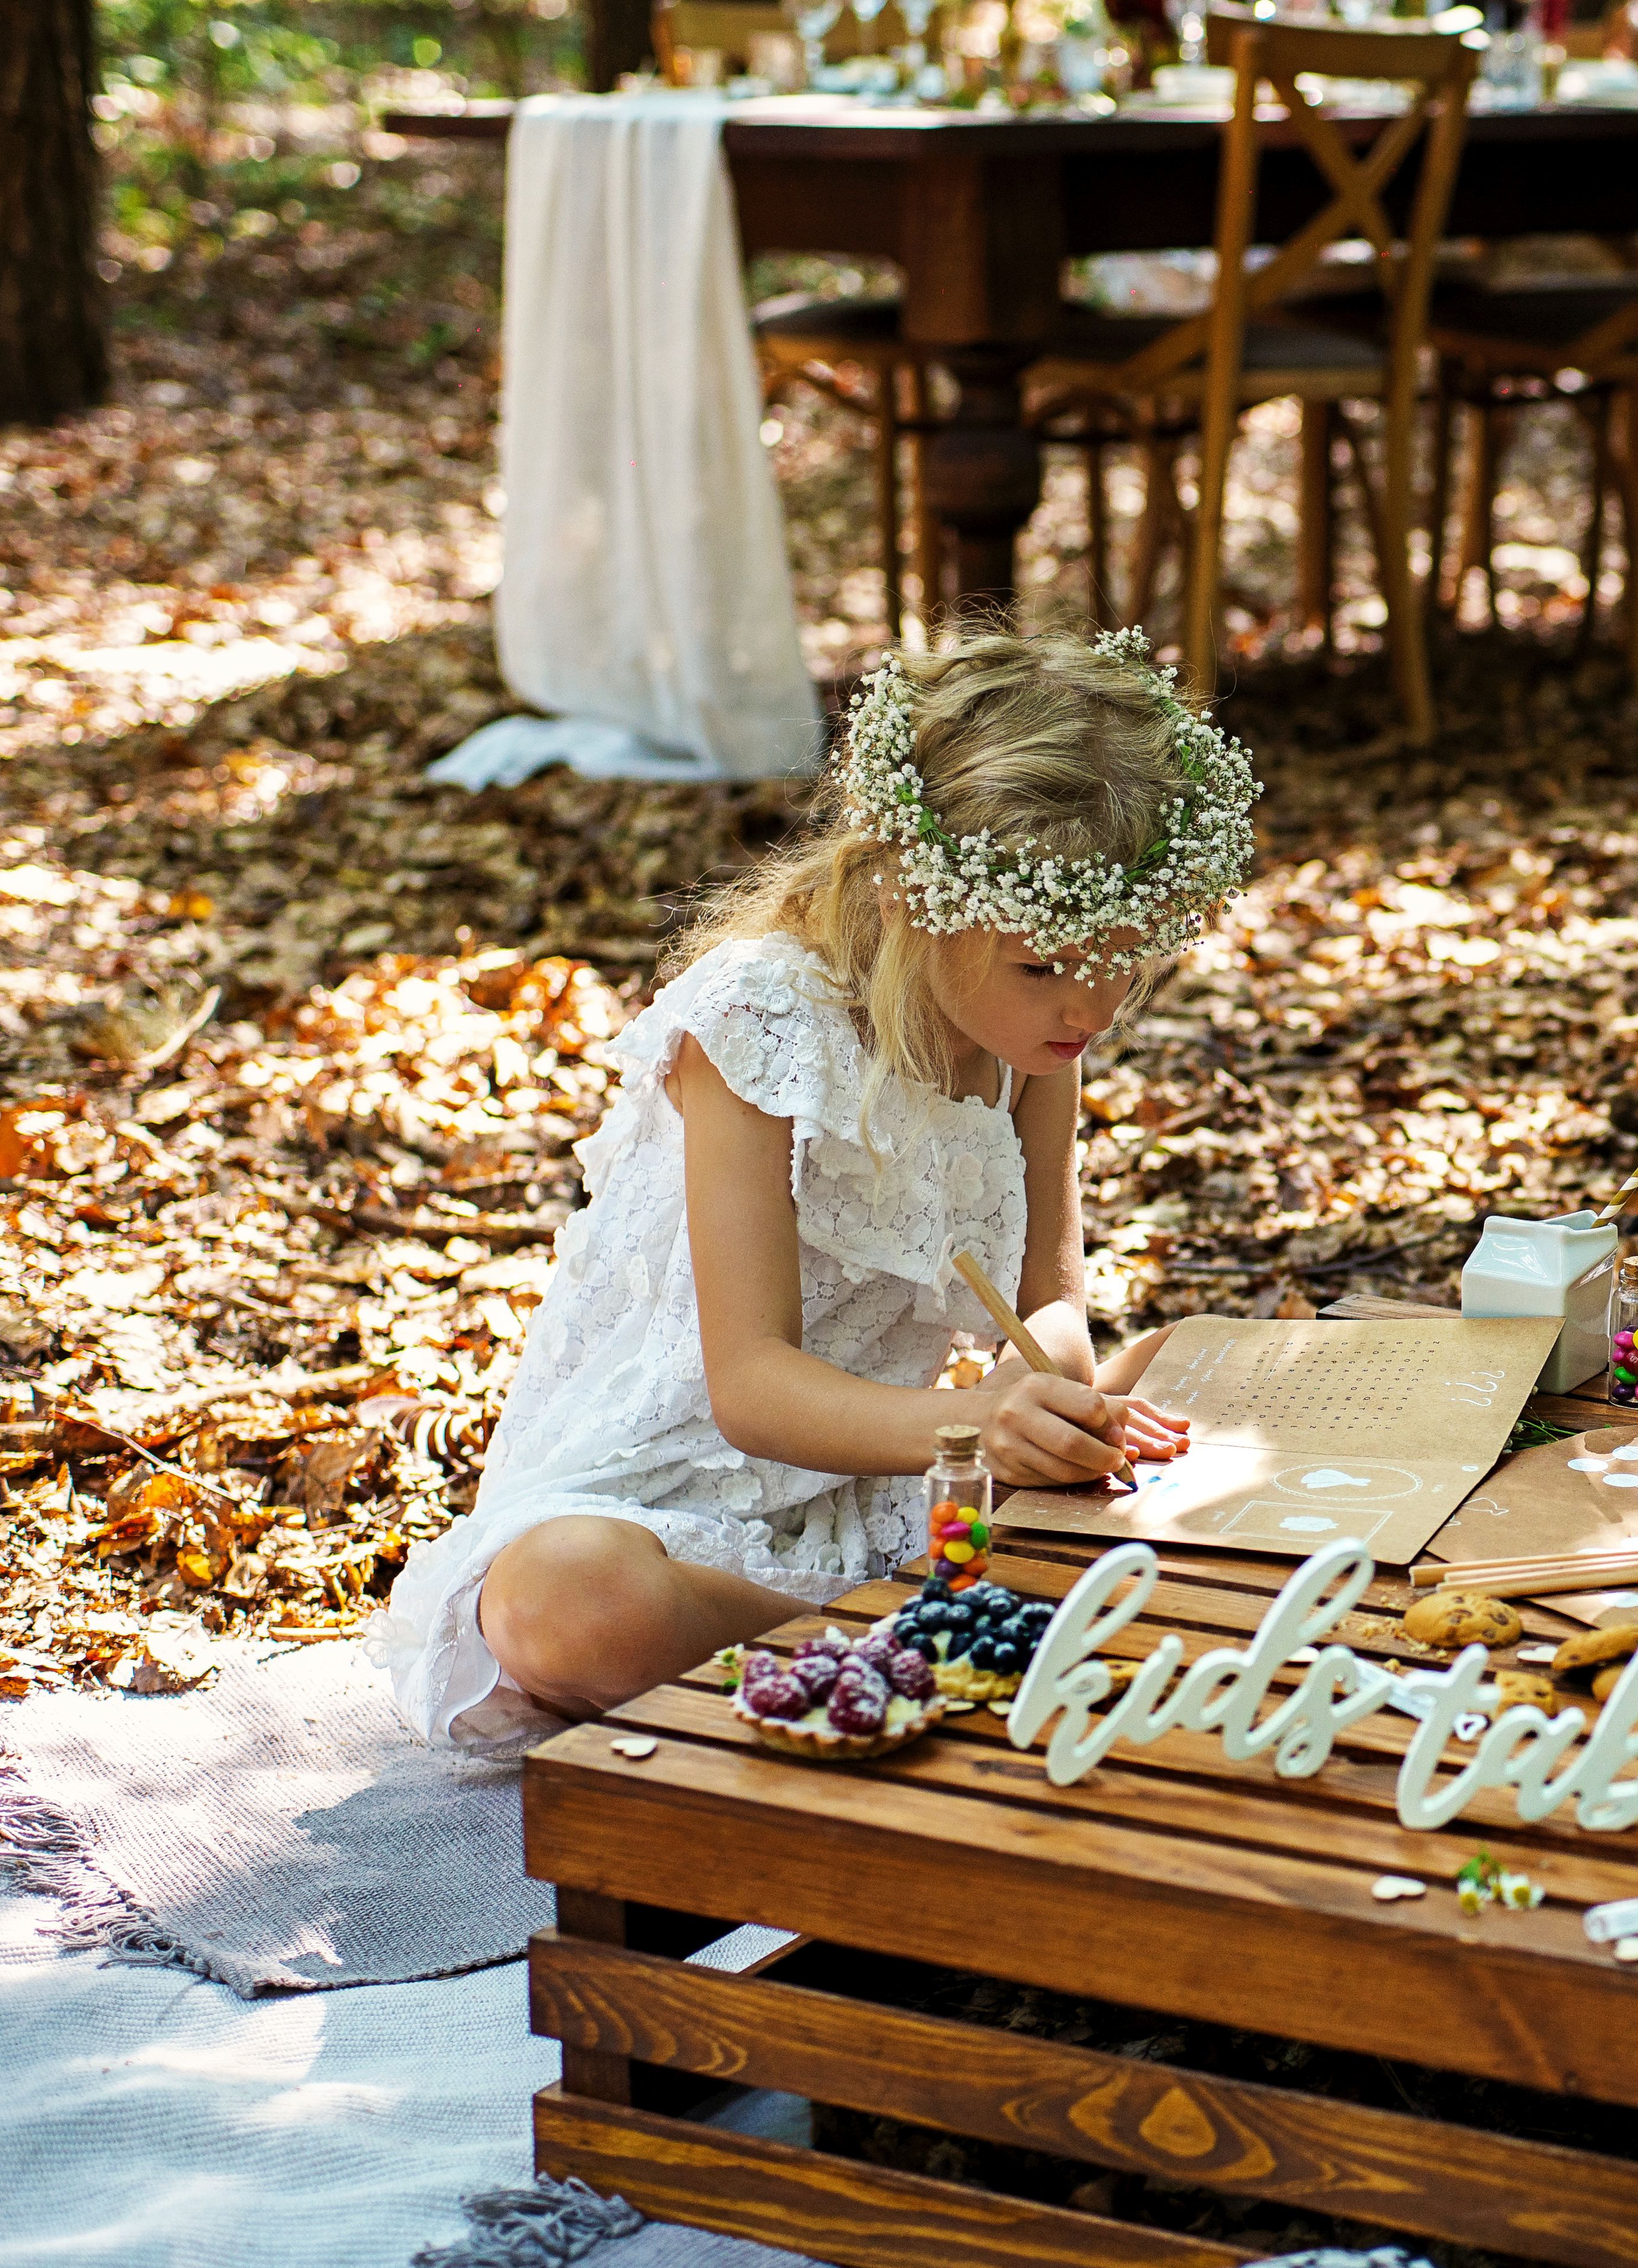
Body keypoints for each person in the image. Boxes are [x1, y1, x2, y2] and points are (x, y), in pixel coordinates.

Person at [369, 629, 1257, 1745]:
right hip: (676, 1493)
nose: (1092, 1009)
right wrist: (982, 1424)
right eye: (1043, 965)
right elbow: (749, 1388)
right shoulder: (759, 1024)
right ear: (904, 893)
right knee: (568, 1603)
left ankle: (910, 1648)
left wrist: (1060, 1396)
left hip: (890, 1477)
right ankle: (935, 1648)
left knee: (1221, 1366)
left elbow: (1053, 1292)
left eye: (1123, 960)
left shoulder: (1029, 1040)